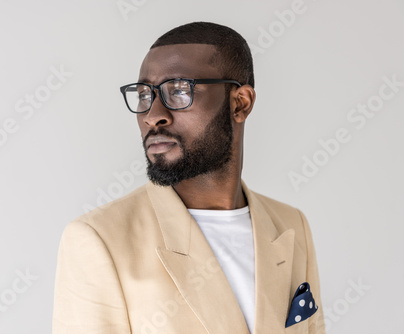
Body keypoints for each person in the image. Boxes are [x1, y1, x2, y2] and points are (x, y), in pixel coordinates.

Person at [53, 21, 326, 334]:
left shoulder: (292, 225)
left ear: (240, 103)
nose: (153, 114)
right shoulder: (97, 239)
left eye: (179, 91)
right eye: (145, 94)